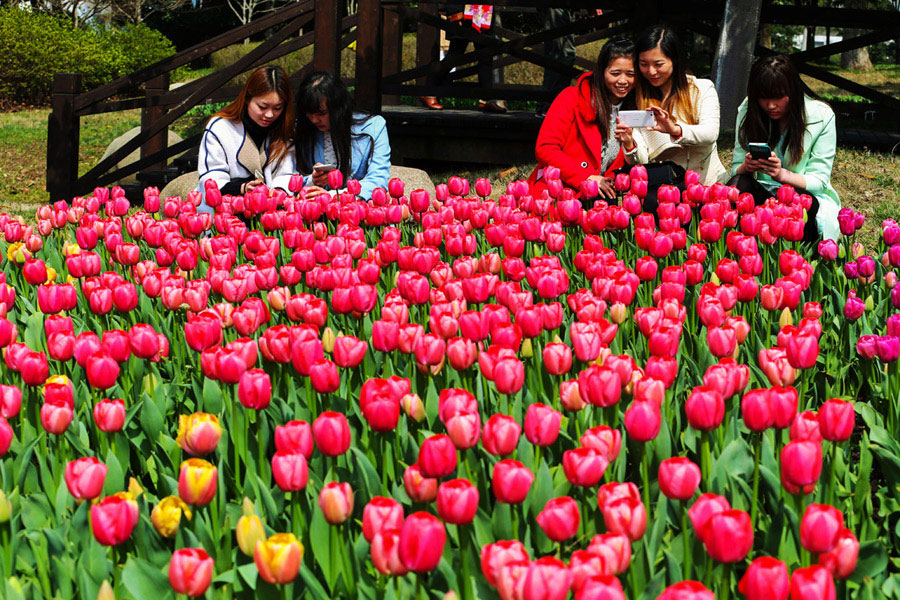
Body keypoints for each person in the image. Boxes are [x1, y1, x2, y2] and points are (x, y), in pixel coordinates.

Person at [729, 55, 839, 241]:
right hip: (763, 193)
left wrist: (782, 175)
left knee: (795, 199)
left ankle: (796, 256)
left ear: (793, 91)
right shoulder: (748, 110)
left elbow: (819, 181)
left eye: (779, 97)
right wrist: (747, 167)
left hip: (803, 197)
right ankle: (741, 248)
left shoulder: (821, 116)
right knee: (737, 185)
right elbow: (735, 169)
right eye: (763, 98)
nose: (771, 105)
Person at [527, 38, 647, 199]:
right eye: (615, 73)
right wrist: (587, 178)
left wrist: (629, 146)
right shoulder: (571, 98)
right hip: (562, 189)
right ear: (602, 71)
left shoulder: (636, 109)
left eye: (631, 74)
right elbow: (546, 148)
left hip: (603, 195)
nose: (623, 81)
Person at [635, 25, 727, 206]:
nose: (651, 71)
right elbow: (642, 160)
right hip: (668, 193)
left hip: (708, 186)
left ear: (674, 60)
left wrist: (675, 130)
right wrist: (629, 143)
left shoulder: (701, 89)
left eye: (658, 64)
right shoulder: (640, 99)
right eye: (643, 64)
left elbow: (710, 134)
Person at [197, 65, 296, 212]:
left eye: (277, 108)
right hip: (226, 211)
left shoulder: (283, 130)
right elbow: (211, 178)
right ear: (247, 99)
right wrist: (242, 188)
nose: (269, 115)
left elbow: (287, 174)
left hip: (270, 213)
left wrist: (276, 193)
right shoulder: (220, 127)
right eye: (262, 107)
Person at [294, 71, 391, 200]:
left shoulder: (373, 128)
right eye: (309, 113)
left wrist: (334, 197)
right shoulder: (305, 129)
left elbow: (378, 180)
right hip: (314, 209)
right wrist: (313, 180)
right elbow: (293, 176)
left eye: (321, 113)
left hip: (357, 210)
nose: (314, 120)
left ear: (338, 108)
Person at [421, 4, 507, 113]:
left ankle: (486, 99)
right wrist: (455, 14)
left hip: (483, 12)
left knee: (486, 57)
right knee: (455, 56)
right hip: (463, 13)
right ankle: (429, 90)